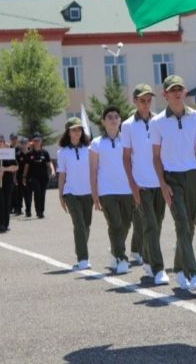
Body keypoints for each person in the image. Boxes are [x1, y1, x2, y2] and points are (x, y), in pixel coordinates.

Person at [150, 75, 196, 292]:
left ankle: (178, 268)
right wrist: (163, 184)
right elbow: (155, 157)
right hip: (171, 177)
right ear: (164, 94)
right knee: (182, 222)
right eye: (172, 90)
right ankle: (193, 273)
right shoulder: (157, 123)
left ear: (184, 92)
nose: (177, 93)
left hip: (193, 175)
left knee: (190, 223)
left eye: (180, 89)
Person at [122, 83, 169, 286]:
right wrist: (132, 184)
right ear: (135, 101)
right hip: (141, 184)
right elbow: (125, 158)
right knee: (149, 224)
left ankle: (149, 260)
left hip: (160, 182)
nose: (146, 103)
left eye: (149, 100)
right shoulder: (127, 126)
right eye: (142, 100)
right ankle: (159, 269)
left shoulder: (160, 121)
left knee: (157, 224)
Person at [89, 106, 133, 275]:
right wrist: (94, 194)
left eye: (116, 117)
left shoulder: (127, 140)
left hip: (127, 189)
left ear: (120, 120)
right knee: (115, 223)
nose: (114, 120)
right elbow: (93, 170)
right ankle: (122, 258)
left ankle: (114, 251)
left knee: (126, 224)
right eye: (110, 117)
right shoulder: (96, 143)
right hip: (106, 191)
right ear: (103, 122)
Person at [57, 117, 93, 270]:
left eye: (79, 129)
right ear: (68, 132)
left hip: (88, 193)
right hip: (71, 192)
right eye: (73, 129)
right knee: (78, 224)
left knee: (86, 225)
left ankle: (80, 248)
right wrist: (60, 195)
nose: (76, 132)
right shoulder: (62, 152)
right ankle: (83, 258)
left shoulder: (90, 149)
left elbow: (94, 171)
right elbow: (62, 175)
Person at [23, 134, 54, 219]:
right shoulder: (29, 154)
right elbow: (26, 166)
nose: (37, 142)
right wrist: (24, 177)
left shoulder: (45, 152)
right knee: (37, 192)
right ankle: (38, 211)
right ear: (33, 142)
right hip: (33, 177)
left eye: (38, 140)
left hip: (43, 177)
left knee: (42, 193)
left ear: (41, 142)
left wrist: (52, 170)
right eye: (35, 141)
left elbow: (49, 163)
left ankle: (42, 211)